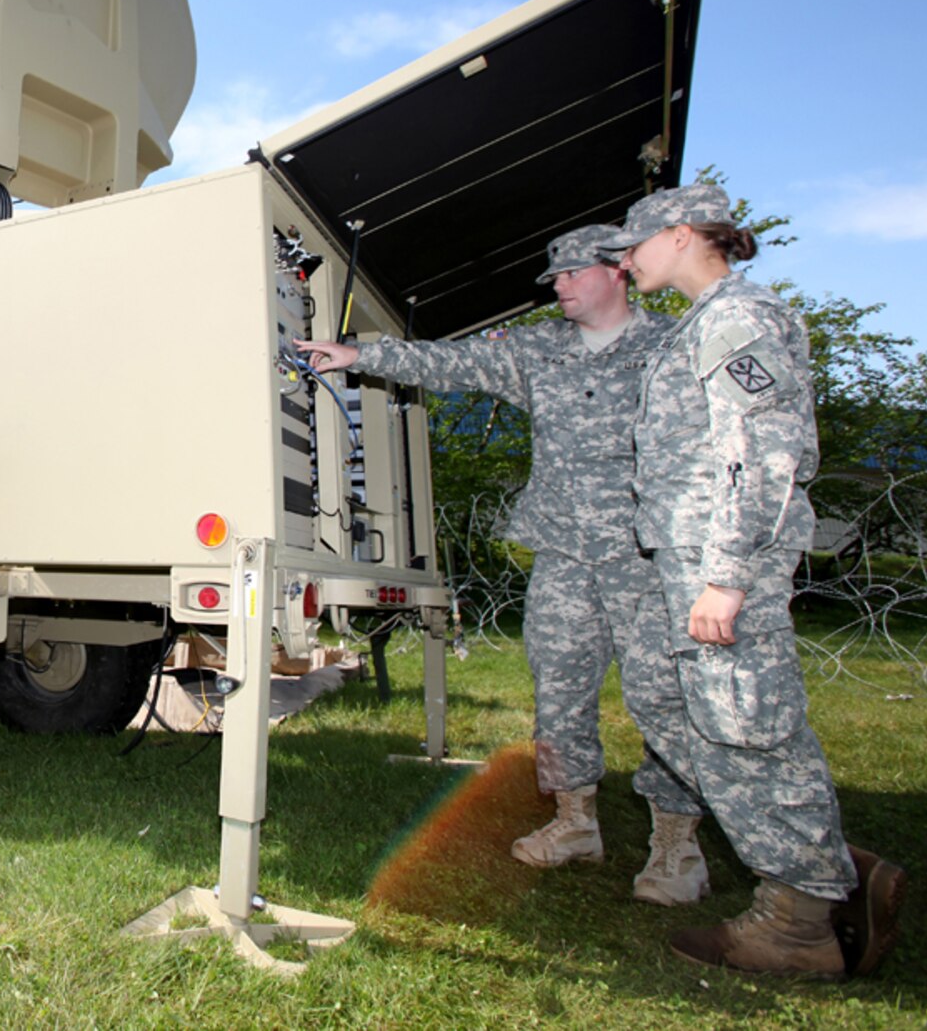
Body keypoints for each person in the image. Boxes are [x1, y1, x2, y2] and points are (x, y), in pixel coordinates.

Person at [292, 225, 711, 903]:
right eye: (555, 278)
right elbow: (447, 364)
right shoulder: (541, 349)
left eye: (573, 274)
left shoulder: (672, 348)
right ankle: (576, 821)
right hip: (566, 556)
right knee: (560, 693)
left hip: (648, 557)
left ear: (618, 272)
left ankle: (676, 845)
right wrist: (356, 353)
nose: (560, 287)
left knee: (662, 699)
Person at [602, 183, 904, 977]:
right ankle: (825, 862)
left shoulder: (737, 318)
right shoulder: (703, 323)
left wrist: (727, 576)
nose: (626, 262)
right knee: (705, 723)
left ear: (679, 234)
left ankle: (799, 922)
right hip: (688, 559)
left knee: (747, 726)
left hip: (719, 562)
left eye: (634, 244)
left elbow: (763, 452)